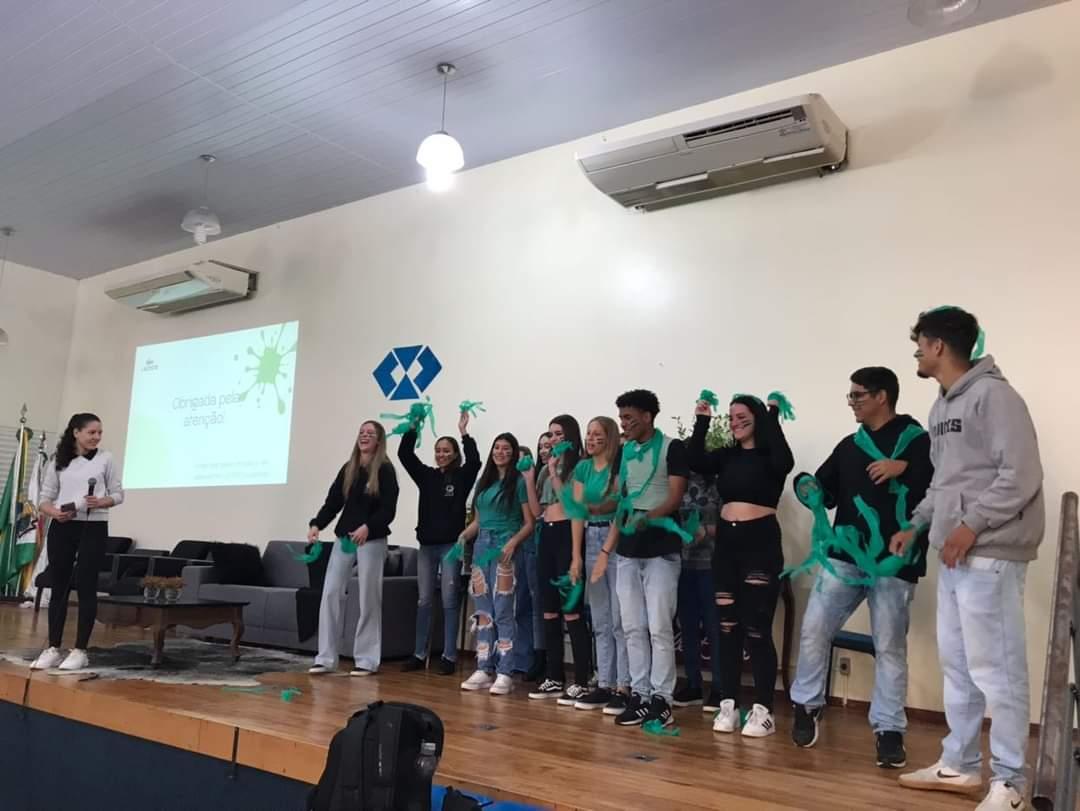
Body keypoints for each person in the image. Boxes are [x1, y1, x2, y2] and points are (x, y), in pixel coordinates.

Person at [891, 307, 1044, 811]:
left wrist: (970, 524)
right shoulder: (941, 406)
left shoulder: (995, 397)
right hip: (956, 553)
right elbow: (945, 482)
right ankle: (959, 764)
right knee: (958, 665)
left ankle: (1011, 782)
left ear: (938, 346)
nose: (916, 353)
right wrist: (917, 524)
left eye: (919, 345)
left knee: (997, 668)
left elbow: (1020, 474)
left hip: (991, 552)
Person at [789, 367, 932, 768]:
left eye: (857, 395)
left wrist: (904, 468)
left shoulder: (919, 442)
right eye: (850, 396)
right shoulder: (850, 446)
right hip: (845, 557)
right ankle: (806, 706)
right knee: (814, 628)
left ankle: (889, 730)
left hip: (894, 563)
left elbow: (942, 487)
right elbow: (825, 492)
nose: (851, 402)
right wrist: (807, 487)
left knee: (889, 646)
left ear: (881, 396)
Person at [688, 393, 794, 737]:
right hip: (727, 548)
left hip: (760, 544)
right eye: (731, 417)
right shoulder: (727, 456)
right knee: (727, 627)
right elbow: (695, 459)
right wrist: (702, 420)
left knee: (757, 628)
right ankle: (729, 705)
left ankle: (763, 710)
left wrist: (772, 415)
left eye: (742, 415)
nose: (735, 422)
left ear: (758, 417)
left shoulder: (771, 455)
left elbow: (785, 462)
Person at [591, 390, 688, 728]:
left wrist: (648, 517)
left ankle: (662, 699)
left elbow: (675, 497)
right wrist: (596, 509)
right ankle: (640, 694)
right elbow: (621, 499)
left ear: (648, 416)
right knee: (632, 627)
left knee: (659, 627)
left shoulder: (673, 448)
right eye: (621, 418)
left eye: (629, 417)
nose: (624, 424)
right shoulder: (625, 451)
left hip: (661, 548)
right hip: (628, 552)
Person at [31, 413, 124, 672]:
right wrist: (55, 513)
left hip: (93, 527)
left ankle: (80, 650)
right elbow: (44, 499)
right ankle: (53, 647)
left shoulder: (106, 459)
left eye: (99, 433)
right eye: (91, 432)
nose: (96, 437)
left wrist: (102, 501)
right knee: (59, 584)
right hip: (63, 526)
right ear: (76, 432)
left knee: (86, 584)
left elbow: (118, 494)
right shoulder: (58, 461)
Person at [307, 420, 399, 676]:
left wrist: (368, 527)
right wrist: (317, 524)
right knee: (330, 593)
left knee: (369, 598)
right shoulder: (349, 468)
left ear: (379, 440)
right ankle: (325, 658)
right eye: (361, 432)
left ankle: (366, 660)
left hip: (371, 539)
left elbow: (388, 509)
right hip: (345, 538)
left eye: (370, 433)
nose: (364, 436)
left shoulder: (385, 470)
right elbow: (333, 501)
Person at [397, 409, 481, 675]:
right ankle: (419, 653)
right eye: (438, 450)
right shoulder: (427, 476)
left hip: (451, 547)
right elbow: (405, 455)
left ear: (455, 454)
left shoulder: (462, 477)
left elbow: (475, 461)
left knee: (448, 600)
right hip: (427, 546)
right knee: (424, 600)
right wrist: (413, 427)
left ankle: (449, 656)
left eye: (446, 451)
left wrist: (464, 433)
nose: (441, 454)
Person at [459, 433, 536, 696]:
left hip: (505, 547)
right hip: (482, 547)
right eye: (496, 448)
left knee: (503, 610)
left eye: (506, 448)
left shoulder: (518, 483)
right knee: (483, 611)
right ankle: (484, 667)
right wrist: (462, 537)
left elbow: (529, 522)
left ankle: (505, 671)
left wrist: (513, 543)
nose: (500, 452)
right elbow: (478, 521)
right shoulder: (485, 482)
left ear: (513, 453)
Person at [527, 416, 593, 705]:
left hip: (568, 534)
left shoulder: (580, 466)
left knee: (571, 610)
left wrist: (554, 472)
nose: (553, 439)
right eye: (550, 434)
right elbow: (536, 511)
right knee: (549, 610)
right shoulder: (546, 469)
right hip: (547, 534)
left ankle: (582, 680)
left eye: (558, 434)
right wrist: (531, 478)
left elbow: (572, 505)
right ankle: (554, 676)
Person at [571, 416, 631, 713]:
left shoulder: (621, 466)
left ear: (610, 436)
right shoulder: (582, 468)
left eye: (597, 433)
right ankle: (605, 683)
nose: (591, 438)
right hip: (591, 538)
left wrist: (594, 508)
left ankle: (624, 685)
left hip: (615, 538)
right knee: (600, 618)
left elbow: (618, 505)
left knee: (621, 619)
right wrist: (576, 555)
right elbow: (577, 511)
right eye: (588, 433)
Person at [672, 465, 723, 714]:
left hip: (712, 565)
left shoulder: (719, 483)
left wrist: (706, 531)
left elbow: (733, 523)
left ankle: (720, 687)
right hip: (682, 564)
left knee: (715, 628)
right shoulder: (678, 482)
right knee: (688, 626)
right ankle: (693, 684)